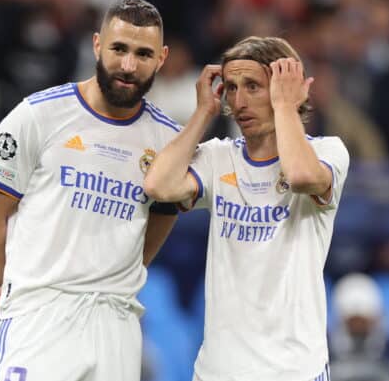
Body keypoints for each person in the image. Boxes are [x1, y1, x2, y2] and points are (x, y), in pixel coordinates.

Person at [0, 0, 180, 381]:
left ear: (162, 58)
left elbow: (164, 214)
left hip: (116, 323)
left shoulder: (168, 139)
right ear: (97, 44)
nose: (129, 66)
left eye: (143, 54)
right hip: (41, 318)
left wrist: (119, 273)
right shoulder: (38, 116)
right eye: (119, 49)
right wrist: (13, 289)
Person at [144, 36, 350, 381]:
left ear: (287, 88)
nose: (238, 102)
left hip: (293, 369)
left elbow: (299, 175)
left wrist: (285, 108)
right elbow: (158, 186)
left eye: (253, 86)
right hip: (218, 371)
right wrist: (203, 113)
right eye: (232, 88)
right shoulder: (218, 157)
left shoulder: (329, 152)